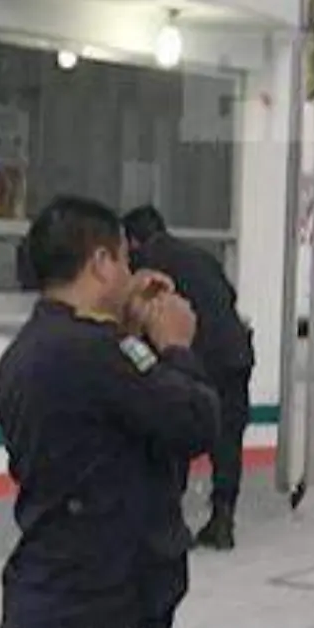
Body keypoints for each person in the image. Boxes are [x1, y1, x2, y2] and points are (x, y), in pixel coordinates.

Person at [0, 196, 220, 628]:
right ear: (100, 263)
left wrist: (129, 330)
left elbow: (116, 414)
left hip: (51, 598)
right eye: (123, 262)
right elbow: (194, 420)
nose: (130, 276)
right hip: (94, 614)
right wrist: (176, 346)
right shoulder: (94, 353)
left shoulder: (29, 350)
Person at [122, 205, 257, 551]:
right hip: (236, 352)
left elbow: (142, 313)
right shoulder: (200, 256)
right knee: (228, 439)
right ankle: (223, 520)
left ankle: (171, 521)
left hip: (198, 355)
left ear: (133, 241)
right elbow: (229, 295)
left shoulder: (147, 265)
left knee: (175, 433)